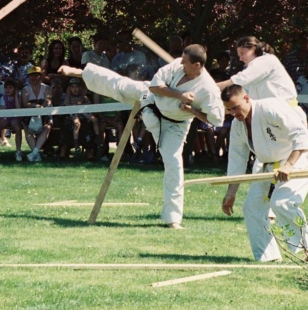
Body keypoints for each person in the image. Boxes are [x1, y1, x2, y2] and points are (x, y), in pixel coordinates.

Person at [59, 44, 224, 228]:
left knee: (174, 164)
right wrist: (180, 95)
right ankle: (80, 73)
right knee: (121, 84)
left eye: (185, 62)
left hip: (174, 126)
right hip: (151, 100)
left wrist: (192, 110)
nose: (180, 63)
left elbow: (216, 119)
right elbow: (155, 87)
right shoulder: (177, 65)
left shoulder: (209, 89)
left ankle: (173, 219)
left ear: (197, 65)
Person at [217, 36, 308, 220]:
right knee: (267, 159)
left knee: (305, 160)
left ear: (253, 49)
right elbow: (241, 95)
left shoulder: (266, 61)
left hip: (286, 115)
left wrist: (211, 87)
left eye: (242, 53)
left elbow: (239, 81)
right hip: (264, 118)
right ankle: (277, 209)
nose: (240, 58)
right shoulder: (253, 72)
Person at [220, 84, 308, 262]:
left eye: (235, 107)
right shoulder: (237, 124)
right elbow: (237, 159)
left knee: (282, 203)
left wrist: (289, 165)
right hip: (267, 166)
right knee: (252, 208)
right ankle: (268, 256)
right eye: (229, 110)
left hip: (297, 161)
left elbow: (302, 135)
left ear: (247, 98)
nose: (233, 113)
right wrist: (231, 193)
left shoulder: (271, 108)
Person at [21, 65, 53, 162]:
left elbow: (48, 101)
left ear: (40, 76)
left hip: (44, 112)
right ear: (28, 77)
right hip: (30, 114)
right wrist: (35, 106)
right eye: (31, 75)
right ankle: (36, 155)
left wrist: (41, 108)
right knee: (26, 128)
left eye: (36, 75)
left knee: (48, 126)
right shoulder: (25, 89)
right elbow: (25, 103)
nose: (34, 78)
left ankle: (34, 152)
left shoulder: (46, 88)